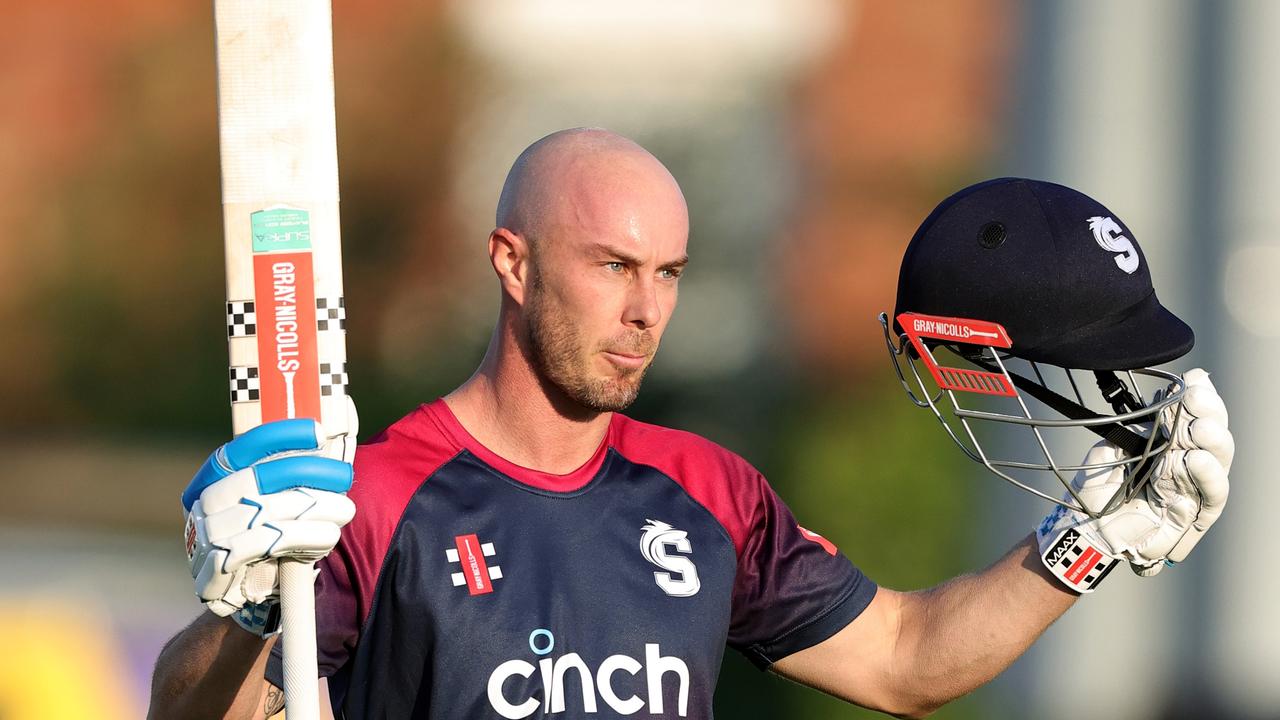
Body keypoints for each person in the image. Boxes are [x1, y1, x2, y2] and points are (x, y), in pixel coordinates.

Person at [149, 130, 1232, 719]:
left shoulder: (708, 492)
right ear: (510, 263)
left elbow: (904, 662)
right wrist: (239, 614)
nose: (645, 310)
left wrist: (1088, 543)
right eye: (612, 266)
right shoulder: (371, 494)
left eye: (667, 271)